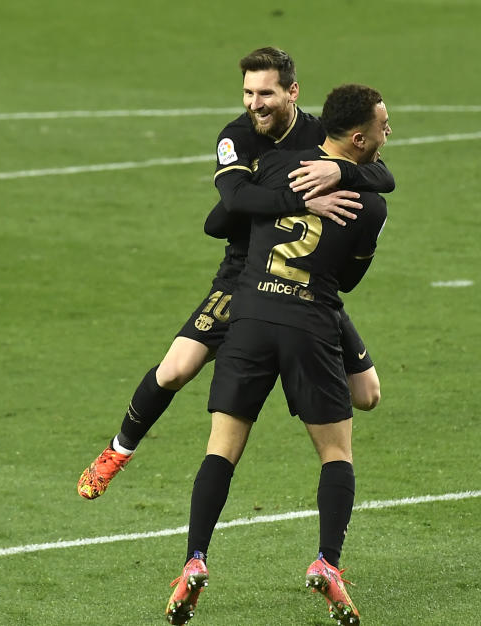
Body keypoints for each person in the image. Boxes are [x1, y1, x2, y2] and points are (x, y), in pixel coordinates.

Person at [77, 48, 395, 500]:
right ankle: (117, 450)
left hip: (305, 282)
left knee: (367, 395)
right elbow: (235, 202)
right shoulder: (237, 138)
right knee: (175, 370)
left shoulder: (319, 135)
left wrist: (339, 168)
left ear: (292, 92)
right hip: (243, 273)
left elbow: (383, 178)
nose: (254, 103)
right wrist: (301, 199)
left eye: (265, 93)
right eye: (248, 92)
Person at [165, 83, 390, 626]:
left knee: (221, 449)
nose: (390, 133)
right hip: (311, 322)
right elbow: (351, 280)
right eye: (385, 126)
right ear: (357, 140)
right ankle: (327, 563)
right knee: (336, 454)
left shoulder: (278, 164)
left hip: (249, 317)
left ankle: (194, 559)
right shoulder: (371, 204)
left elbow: (222, 218)